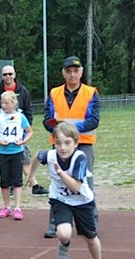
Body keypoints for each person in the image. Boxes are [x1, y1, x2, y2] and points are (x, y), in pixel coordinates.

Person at [28, 122, 110, 259]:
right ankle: (64, 243)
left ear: (76, 143)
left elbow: (76, 186)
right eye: (58, 143)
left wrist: (60, 172)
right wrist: (31, 175)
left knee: (91, 239)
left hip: (82, 201)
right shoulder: (51, 155)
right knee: (63, 233)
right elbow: (37, 156)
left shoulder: (80, 158)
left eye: (67, 143)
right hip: (61, 200)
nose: (63, 148)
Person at [42, 56, 100, 238]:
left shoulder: (91, 93)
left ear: (81, 72)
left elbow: (94, 120)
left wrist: (70, 129)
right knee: (57, 182)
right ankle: (55, 223)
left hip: (83, 144)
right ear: (63, 73)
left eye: (76, 71)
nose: (72, 74)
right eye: (69, 71)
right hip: (60, 146)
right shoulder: (54, 93)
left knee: (85, 183)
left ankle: (90, 223)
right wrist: (59, 131)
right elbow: (46, 119)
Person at [0, 64, 48, 198]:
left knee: (23, 159)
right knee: (4, 160)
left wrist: (26, 127)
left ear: (14, 75)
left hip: (18, 134)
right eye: (5, 74)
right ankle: (13, 186)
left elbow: (28, 109)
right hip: (2, 135)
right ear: (2, 76)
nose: (8, 77)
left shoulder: (22, 90)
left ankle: (34, 185)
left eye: (10, 74)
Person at [0, 91, 33, 220]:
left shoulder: (21, 117)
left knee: (17, 181)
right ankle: (6, 207)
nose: (3, 105)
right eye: (2, 103)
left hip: (17, 151)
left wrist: (23, 141)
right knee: (4, 181)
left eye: (6, 103)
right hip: (3, 152)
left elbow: (30, 132)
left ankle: (18, 208)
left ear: (13, 103)